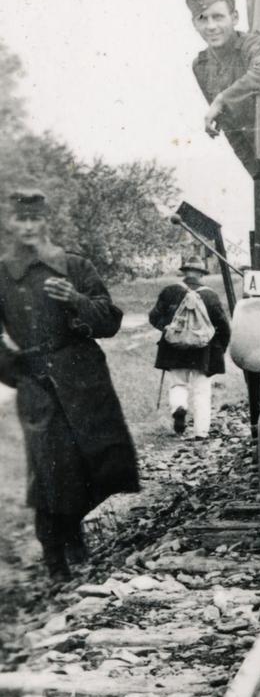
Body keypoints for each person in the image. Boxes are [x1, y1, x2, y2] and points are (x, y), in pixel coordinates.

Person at [0, 188, 139, 581]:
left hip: (84, 378)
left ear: (46, 221)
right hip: (36, 380)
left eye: (34, 219)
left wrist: (76, 299)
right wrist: (18, 373)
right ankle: (54, 557)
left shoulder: (74, 266)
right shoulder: (3, 272)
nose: (27, 226)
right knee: (47, 469)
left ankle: (75, 532)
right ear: (10, 223)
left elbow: (109, 321)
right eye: (19, 219)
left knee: (96, 460)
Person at [187, 0, 260, 176]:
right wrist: (259, 177)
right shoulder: (201, 66)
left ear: (234, 18)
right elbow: (232, 130)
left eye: (218, 17)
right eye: (202, 19)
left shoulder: (254, 45)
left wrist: (222, 99)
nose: (211, 26)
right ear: (195, 24)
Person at [149, 257, 233, 438]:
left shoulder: (169, 291)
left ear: (184, 272)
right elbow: (224, 327)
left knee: (178, 384)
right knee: (202, 391)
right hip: (203, 351)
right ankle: (201, 432)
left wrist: (168, 329)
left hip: (174, 349)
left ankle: (179, 407)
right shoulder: (210, 296)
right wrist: (220, 349)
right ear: (202, 274)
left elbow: (154, 317)